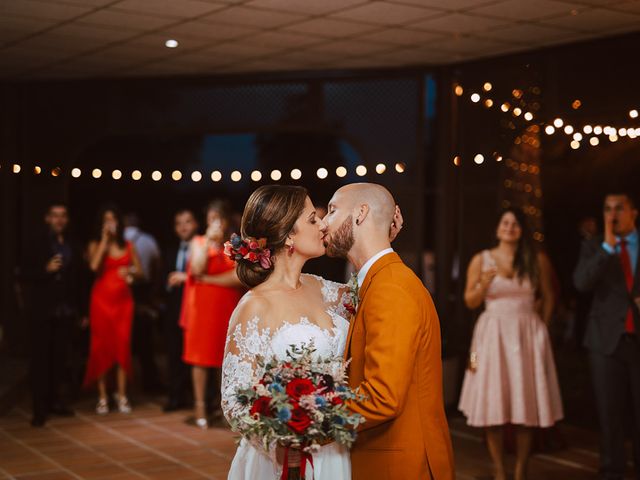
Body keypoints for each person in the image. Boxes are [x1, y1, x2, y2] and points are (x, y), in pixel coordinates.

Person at [222, 185, 358, 478]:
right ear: (288, 236)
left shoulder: (325, 289)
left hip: (333, 451)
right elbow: (234, 400)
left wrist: (378, 240)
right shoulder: (254, 306)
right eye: (312, 219)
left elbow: (374, 294)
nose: (322, 224)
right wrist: (279, 439)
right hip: (280, 460)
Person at [322, 183, 455, 480]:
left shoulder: (390, 287)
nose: (323, 222)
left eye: (332, 210)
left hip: (400, 465)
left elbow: (383, 396)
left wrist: (314, 419)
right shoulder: (379, 279)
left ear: (361, 213)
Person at [458, 208, 563, 480]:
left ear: (521, 229)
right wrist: (483, 283)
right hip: (492, 336)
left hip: (527, 334)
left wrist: (542, 327)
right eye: (505, 222)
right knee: (494, 403)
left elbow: (549, 297)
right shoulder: (481, 260)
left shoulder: (537, 259)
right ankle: (500, 471)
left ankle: (520, 471)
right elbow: (470, 301)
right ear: (497, 228)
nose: (510, 227)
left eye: (515, 223)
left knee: (524, 402)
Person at [574, 192, 640, 480]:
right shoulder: (594, 246)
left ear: (633, 212)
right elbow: (581, 283)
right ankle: (612, 470)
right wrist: (605, 248)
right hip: (604, 340)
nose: (613, 214)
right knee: (609, 414)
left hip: (637, 339)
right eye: (607, 209)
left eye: (619, 208)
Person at [180, 200, 243, 428]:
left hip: (226, 306)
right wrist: (208, 243)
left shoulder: (235, 244)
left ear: (226, 220)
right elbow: (196, 269)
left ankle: (224, 405)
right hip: (202, 309)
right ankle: (199, 407)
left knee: (224, 357)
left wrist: (208, 280)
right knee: (200, 357)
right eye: (210, 219)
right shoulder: (199, 242)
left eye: (218, 219)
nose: (215, 223)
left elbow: (238, 277)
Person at [22, 203, 82, 427]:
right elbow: (24, 274)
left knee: (59, 359)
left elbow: (78, 279)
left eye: (63, 216)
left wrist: (80, 309)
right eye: (55, 216)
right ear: (47, 218)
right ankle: (39, 409)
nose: (59, 220)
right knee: (40, 361)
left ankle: (55, 401)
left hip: (65, 311)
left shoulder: (72, 244)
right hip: (41, 310)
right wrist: (45, 270)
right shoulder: (36, 242)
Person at [84, 204, 143, 415]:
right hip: (101, 302)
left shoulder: (128, 245)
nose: (110, 224)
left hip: (123, 303)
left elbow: (141, 273)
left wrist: (131, 272)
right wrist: (104, 241)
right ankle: (102, 397)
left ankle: (122, 394)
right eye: (106, 220)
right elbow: (93, 266)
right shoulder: (95, 244)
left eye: (113, 219)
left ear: (119, 222)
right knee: (101, 346)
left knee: (122, 346)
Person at [162, 208, 198, 412]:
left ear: (195, 224)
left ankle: (200, 397)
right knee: (173, 352)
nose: (183, 227)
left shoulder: (203, 247)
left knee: (195, 355)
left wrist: (187, 278)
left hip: (197, 308)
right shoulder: (169, 249)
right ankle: (175, 396)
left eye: (187, 221)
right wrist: (168, 282)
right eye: (179, 223)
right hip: (175, 307)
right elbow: (161, 278)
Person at [124, 212, 163, 393]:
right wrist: (154, 293)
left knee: (126, 339)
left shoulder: (120, 240)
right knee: (145, 341)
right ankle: (149, 381)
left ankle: (124, 385)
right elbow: (157, 266)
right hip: (144, 290)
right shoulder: (148, 240)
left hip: (126, 292)